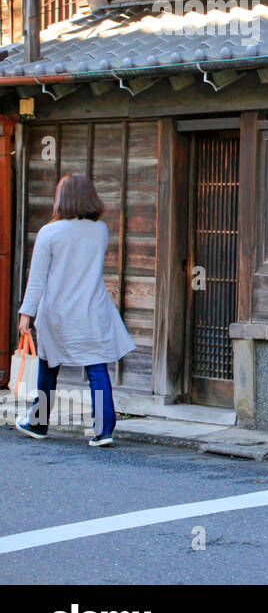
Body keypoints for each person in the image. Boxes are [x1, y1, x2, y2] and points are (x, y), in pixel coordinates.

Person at [14, 173, 136, 447]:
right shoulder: (100, 230)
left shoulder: (50, 232)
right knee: (96, 367)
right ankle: (104, 430)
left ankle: (38, 423)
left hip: (57, 312)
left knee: (47, 367)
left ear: (62, 198)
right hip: (92, 310)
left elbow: (37, 278)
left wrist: (26, 314)